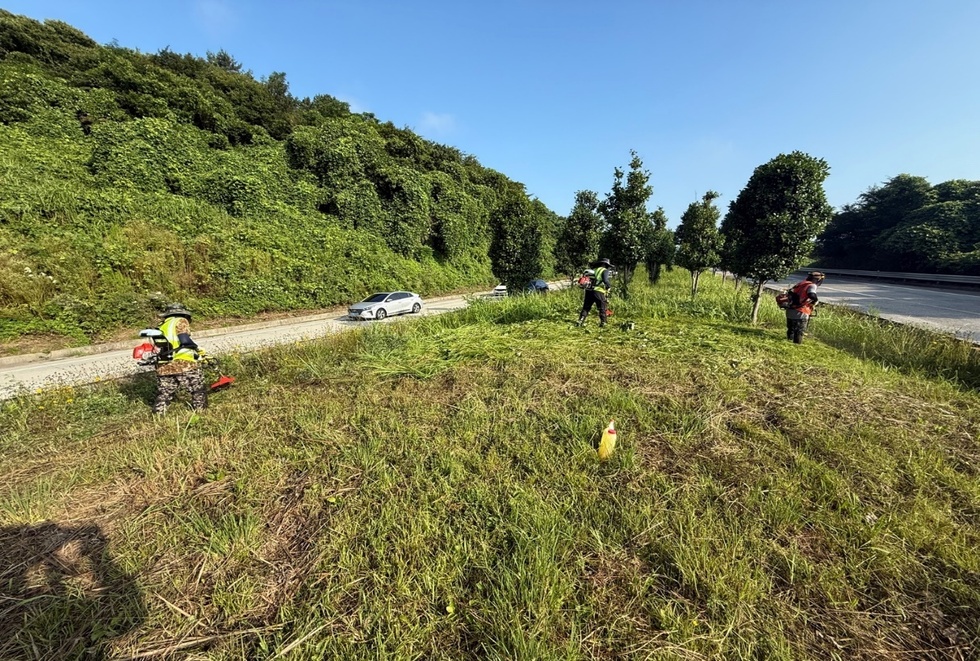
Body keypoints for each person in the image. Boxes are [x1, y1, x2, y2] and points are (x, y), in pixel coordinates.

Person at [153, 303, 207, 415]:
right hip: (184, 363)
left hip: (164, 365)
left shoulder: (161, 325)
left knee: (164, 393)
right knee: (197, 389)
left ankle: (158, 416)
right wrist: (197, 349)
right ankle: (201, 412)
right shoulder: (181, 321)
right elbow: (184, 340)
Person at [785, 271, 825, 344]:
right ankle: (796, 345)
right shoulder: (812, 285)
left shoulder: (801, 283)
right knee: (799, 330)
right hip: (801, 311)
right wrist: (815, 301)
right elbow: (811, 295)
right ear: (818, 279)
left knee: (791, 329)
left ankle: (788, 342)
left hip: (790, 310)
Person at [577, 258, 613, 327]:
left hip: (589, 290)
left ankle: (580, 321)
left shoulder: (593, 270)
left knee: (586, 307)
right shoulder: (604, 270)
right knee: (602, 307)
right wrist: (608, 286)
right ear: (605, 265)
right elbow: (605, 280)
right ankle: (603, 323)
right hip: (598, 291)